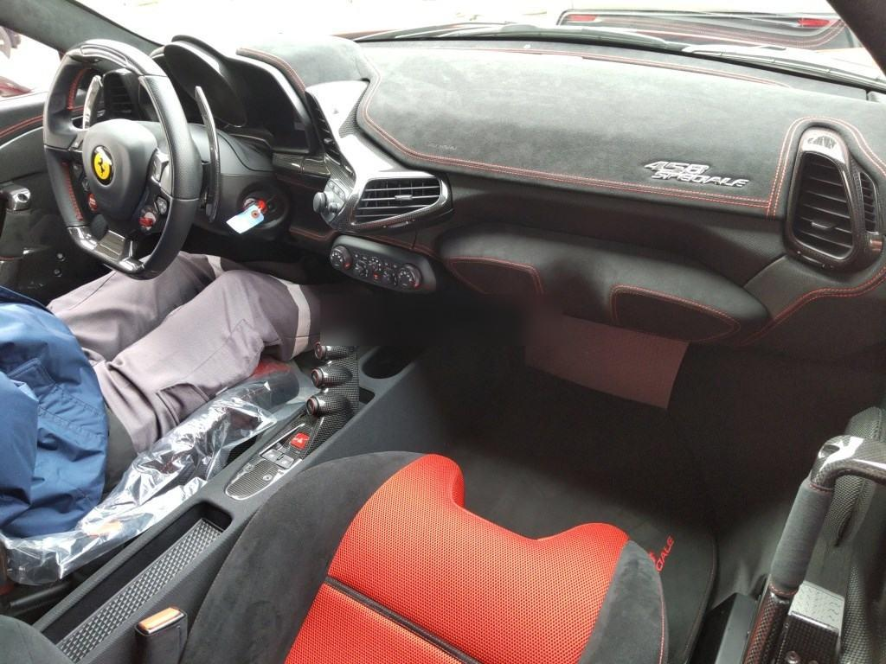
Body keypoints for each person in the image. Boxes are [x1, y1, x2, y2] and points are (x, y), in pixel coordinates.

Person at [0, 254, 318, 538]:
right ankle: (355, 311)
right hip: (59, 442)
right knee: (247, 298)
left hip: (25, 356)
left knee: (175, 268)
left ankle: (299, 267)